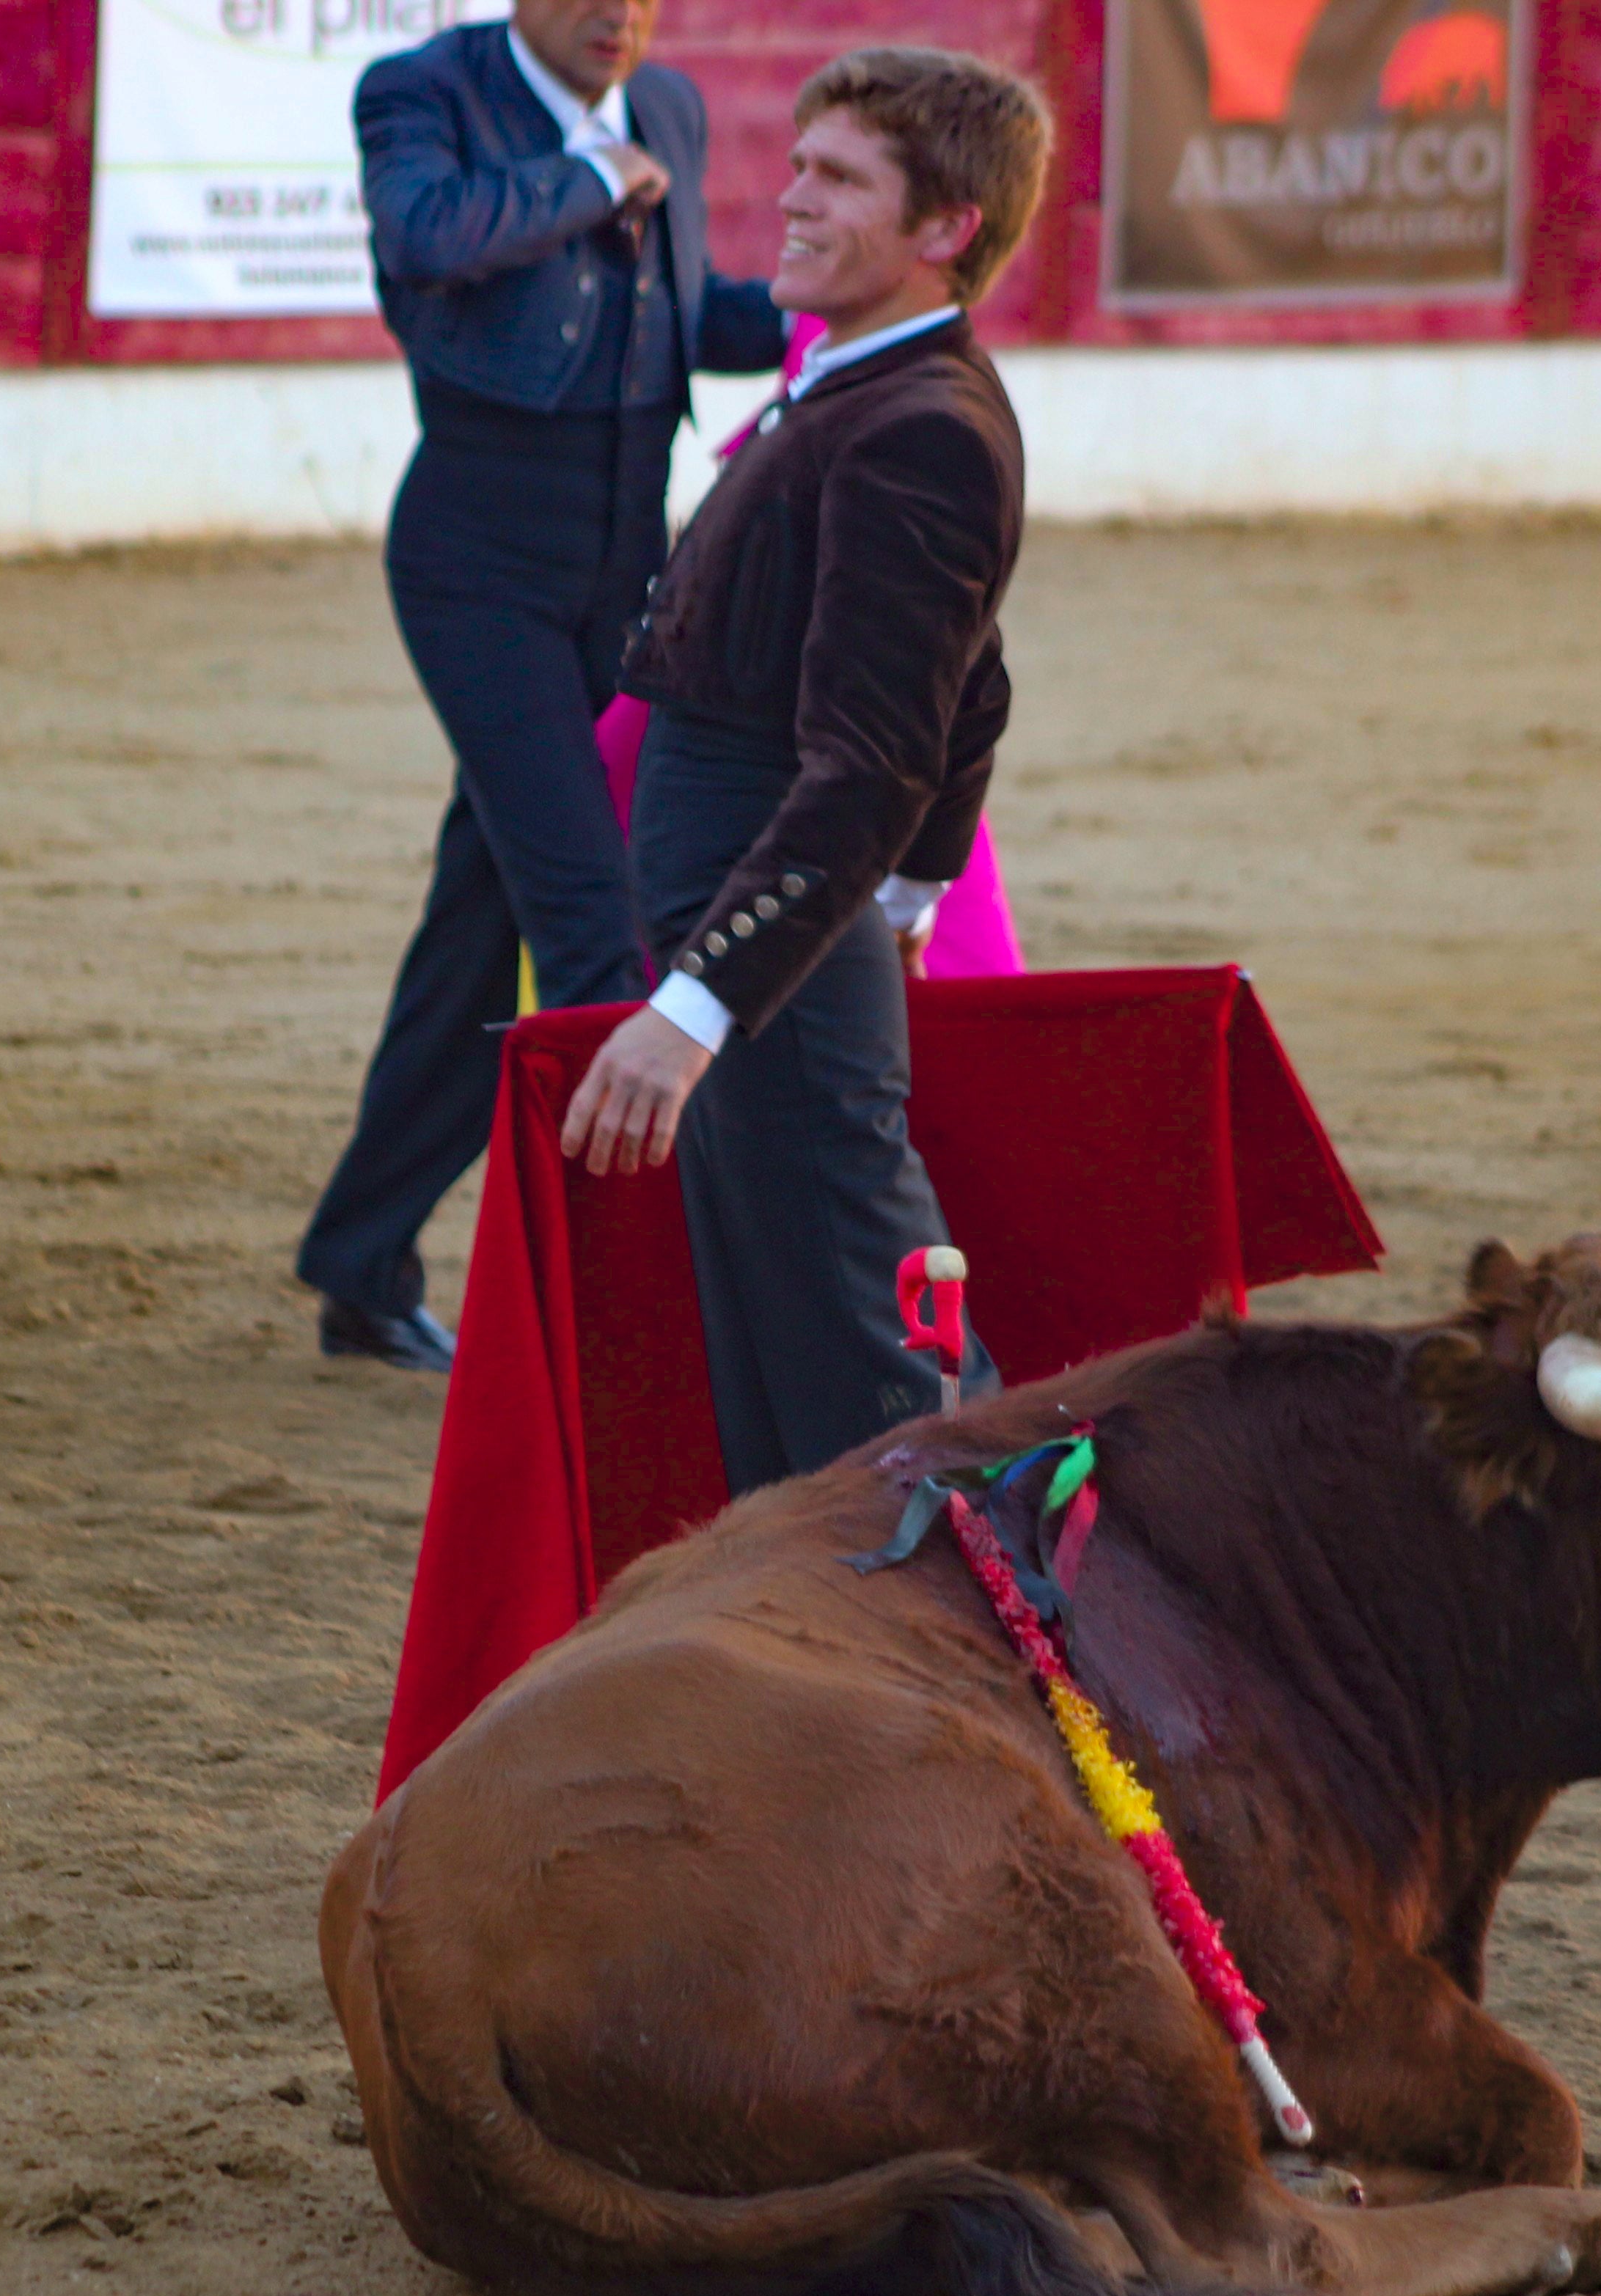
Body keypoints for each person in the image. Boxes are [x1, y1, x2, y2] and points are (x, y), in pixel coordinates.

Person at [560, 46, 1050, 1494]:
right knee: (794, 1341)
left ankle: (1015, 1608)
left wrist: (695, 1006)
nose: (791, 198)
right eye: (800, 166)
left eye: (839, 179)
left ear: (946, 227)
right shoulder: (873, 391)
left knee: (865, 1345)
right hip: (776, 922)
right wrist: (902, 896)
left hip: (762, 932)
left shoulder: (918, 428)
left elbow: (873, 760)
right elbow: (976, 684)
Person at [296, 0, 788, 1373]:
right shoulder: (421, 91)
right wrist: (588, 175)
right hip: (479, 567)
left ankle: (363, 1262)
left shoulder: (668, 108)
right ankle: (630, 1317)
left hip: (631, 567)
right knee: (592, 917)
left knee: (487, 915)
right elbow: (424, 236)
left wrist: (839, 308)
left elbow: (683, 319)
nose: (620, 15)